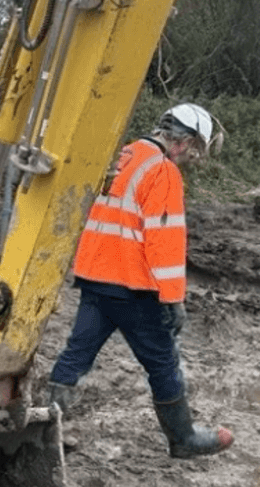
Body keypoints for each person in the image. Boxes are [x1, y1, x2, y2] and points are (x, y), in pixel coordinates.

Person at [48, 103, 232, 459]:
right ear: (184, 141)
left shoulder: (126, 154)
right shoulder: (162, 171)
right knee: (163, 362)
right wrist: (173, 299)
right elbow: (164, 241)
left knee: (76, 354)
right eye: (193, 149)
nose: (190, 157)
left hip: (95, 276)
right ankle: (183, 438)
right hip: (133, 285)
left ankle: (46, 429)